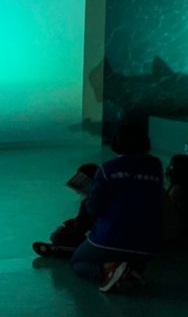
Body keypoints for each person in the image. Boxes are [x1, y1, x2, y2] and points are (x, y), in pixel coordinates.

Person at [68, 121, 165, 291]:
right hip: (150, 244)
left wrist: (89, 195)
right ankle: (127, 267)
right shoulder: (155, 166)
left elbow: (93, 209)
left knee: (77, 262)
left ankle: (107, 272)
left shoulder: (108, 169)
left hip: (111, 240)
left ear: (117, 141)